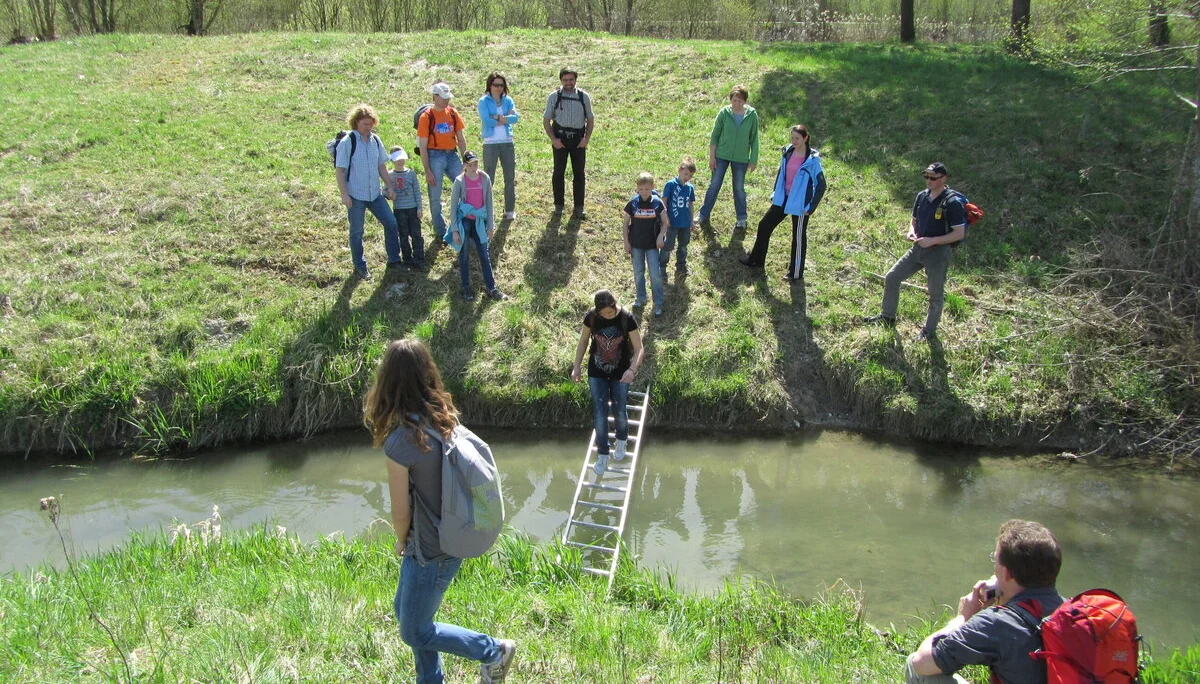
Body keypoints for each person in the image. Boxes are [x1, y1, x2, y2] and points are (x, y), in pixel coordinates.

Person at [364, 338, 518, 684]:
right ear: (427, 374)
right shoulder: (444, 420)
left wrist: (401, 541)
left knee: (414, 631)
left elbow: (400, 512)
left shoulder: (401, 443)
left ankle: (493, 651)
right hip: (451, 534)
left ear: (386, 383)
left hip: (430, 549)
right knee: (406, 614)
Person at [905, 519, 1064, 684]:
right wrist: (1005, 596)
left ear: (1007, 573)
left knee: (914, 665)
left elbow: (922, 663)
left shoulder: (997, 623)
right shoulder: (1075, 613)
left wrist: (963, 617)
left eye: (995, 560)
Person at [863, 162, 966, 341]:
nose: (928, 180)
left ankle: (928, 332)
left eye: (933, 177)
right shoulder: (921, 196)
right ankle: (887, 317)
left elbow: (959, 233)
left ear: (943, 179)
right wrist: (912, 231)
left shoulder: (952, 203)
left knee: (935, 295)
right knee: (892, 277)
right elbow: (914, 219)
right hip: (918, 248)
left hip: (937, 254)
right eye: (926, 176)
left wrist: (932, 241)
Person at [571, 289, 644, 476]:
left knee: (620, 408)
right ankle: (603, 452)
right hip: (597, 371)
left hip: (621, 372)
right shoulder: (592, 317)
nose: (608, 315)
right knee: (599, 411)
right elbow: (584, 341)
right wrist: (576, 367)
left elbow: (639, 348)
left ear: (614, 305)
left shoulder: (627, 318)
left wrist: (632, 370)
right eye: (604, 313)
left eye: (610, 312)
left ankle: (621, 439)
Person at [740, 124, 826, 282]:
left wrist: (810, 207)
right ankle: (756, 260)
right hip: (783, 199)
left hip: (800, 205)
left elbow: (821, 185)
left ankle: (795, 273)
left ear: (805, 138)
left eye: (797, 138)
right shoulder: (788, 152)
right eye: (792, 138)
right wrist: (775, 192)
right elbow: (781, 173)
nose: (794, 141)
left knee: (798, 237)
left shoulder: (812, 161)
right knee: (764, 225)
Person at [334, 103, 401, 280]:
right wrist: (344, 194)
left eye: (371, 123)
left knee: (391, 223)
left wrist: (389, 186)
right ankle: (360, 266)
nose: (369, 127)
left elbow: (381, 165)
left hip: (375, 194)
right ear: (356, 123)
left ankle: (394, 259)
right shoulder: (348, 142)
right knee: (357, 231)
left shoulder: (376, 140)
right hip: (355, 195)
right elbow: (340, 170)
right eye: (365, 123)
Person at [696, 85, 760, 230]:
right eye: (734, 100)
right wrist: (712, 157)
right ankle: (703, 214)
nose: (737, 104)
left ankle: (742, 218)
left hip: (741, 158)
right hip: (722, 155)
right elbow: (714, 136)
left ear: (745, 101)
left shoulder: (752, 115)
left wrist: (753, 159)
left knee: (738, 188)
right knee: (714, 184)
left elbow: (754, 138)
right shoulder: (724, 113)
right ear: (730, 100)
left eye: (740, 101)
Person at [447, 151, 506, 302]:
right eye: (470, 165)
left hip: (480, 222)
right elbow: (453, 207)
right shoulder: (460, 181)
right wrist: (455, 230)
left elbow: (489, 203)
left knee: (484, 255)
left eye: (476, 164)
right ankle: (466, 286)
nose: (474, 167)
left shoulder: (484, 178)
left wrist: (491, 226)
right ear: (465, 166)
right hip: (465, 223)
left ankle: (491, 287)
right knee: (464, 255)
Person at [418, 82, 468, 241]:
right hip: (434, 156)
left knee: (464, 187)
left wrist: (465, 160)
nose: (447, 101)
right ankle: (440, 231)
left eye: (448, 97)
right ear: (435, 97)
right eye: (444, 98)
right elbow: (423, 146)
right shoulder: (426, 117)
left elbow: (461, 139)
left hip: (452, 155)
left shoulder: (453, 113)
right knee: (435, 195)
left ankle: (463, 224)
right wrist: (427, 171)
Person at [542, 68, 594, 218]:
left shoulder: (584, 97)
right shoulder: (554, 97)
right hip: (560, 139)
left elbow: (590, 119)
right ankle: (559, 206)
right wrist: (554, 139)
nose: (568, 83)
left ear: (576, 80)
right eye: (565, 80)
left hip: (578, 140)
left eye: (571, 80)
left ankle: (579, 207)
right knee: (558, 172)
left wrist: (586, 139)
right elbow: (546, 120)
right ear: (561, 80)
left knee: (579, 173)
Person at [623, 172, 669, 317]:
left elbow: (665, 222)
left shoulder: (657, 203)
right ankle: (641, 298)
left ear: (653, 187)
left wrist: (661, 236)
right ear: (637, 188)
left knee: (655, 274)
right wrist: (626, 242)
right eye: (641, 189)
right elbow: (625, 224)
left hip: (652, 246)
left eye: (647, 189)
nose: (644, 192)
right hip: (636, 245)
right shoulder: (633, 203)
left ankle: (658, 301)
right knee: (638, 272)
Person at [477, 71, 519, 220]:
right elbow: (486, 120)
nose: (498, 88)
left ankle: (509, 209)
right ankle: (486, 210)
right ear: (490, 85)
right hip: (490, 144)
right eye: (496, 85)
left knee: (509, 177)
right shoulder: (483, 101)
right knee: (489, 178)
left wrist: (498, 117)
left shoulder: (508, 100)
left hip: (507, 142)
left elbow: (515, 118)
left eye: (501, 85)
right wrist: (503, 119)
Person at [659, 158, 698, 281]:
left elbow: (690, 204)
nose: (688, 177)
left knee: (683, 245)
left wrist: (691, 221)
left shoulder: (690, 188)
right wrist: (665, 217)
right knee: (668, 245)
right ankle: (662, 266)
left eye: (691, 175)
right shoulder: (670, 184)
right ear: (679, 170)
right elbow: (664, 201)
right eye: (686, 174)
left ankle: (681, 264)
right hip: (672, 223)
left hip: (685, 223)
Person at [388, 146, 425, 270]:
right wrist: (388, 195)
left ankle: (419, 258)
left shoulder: (411, 173)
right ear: (392, 160)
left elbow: (417, 191)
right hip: (399, 210)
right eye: (397, 159)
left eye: (402, 159)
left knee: (416, 234)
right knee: (403, 235)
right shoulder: (390, 175)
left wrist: (419, 207)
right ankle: (407, 259)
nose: (400, 161)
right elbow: (384, 190)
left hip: (412, 208)